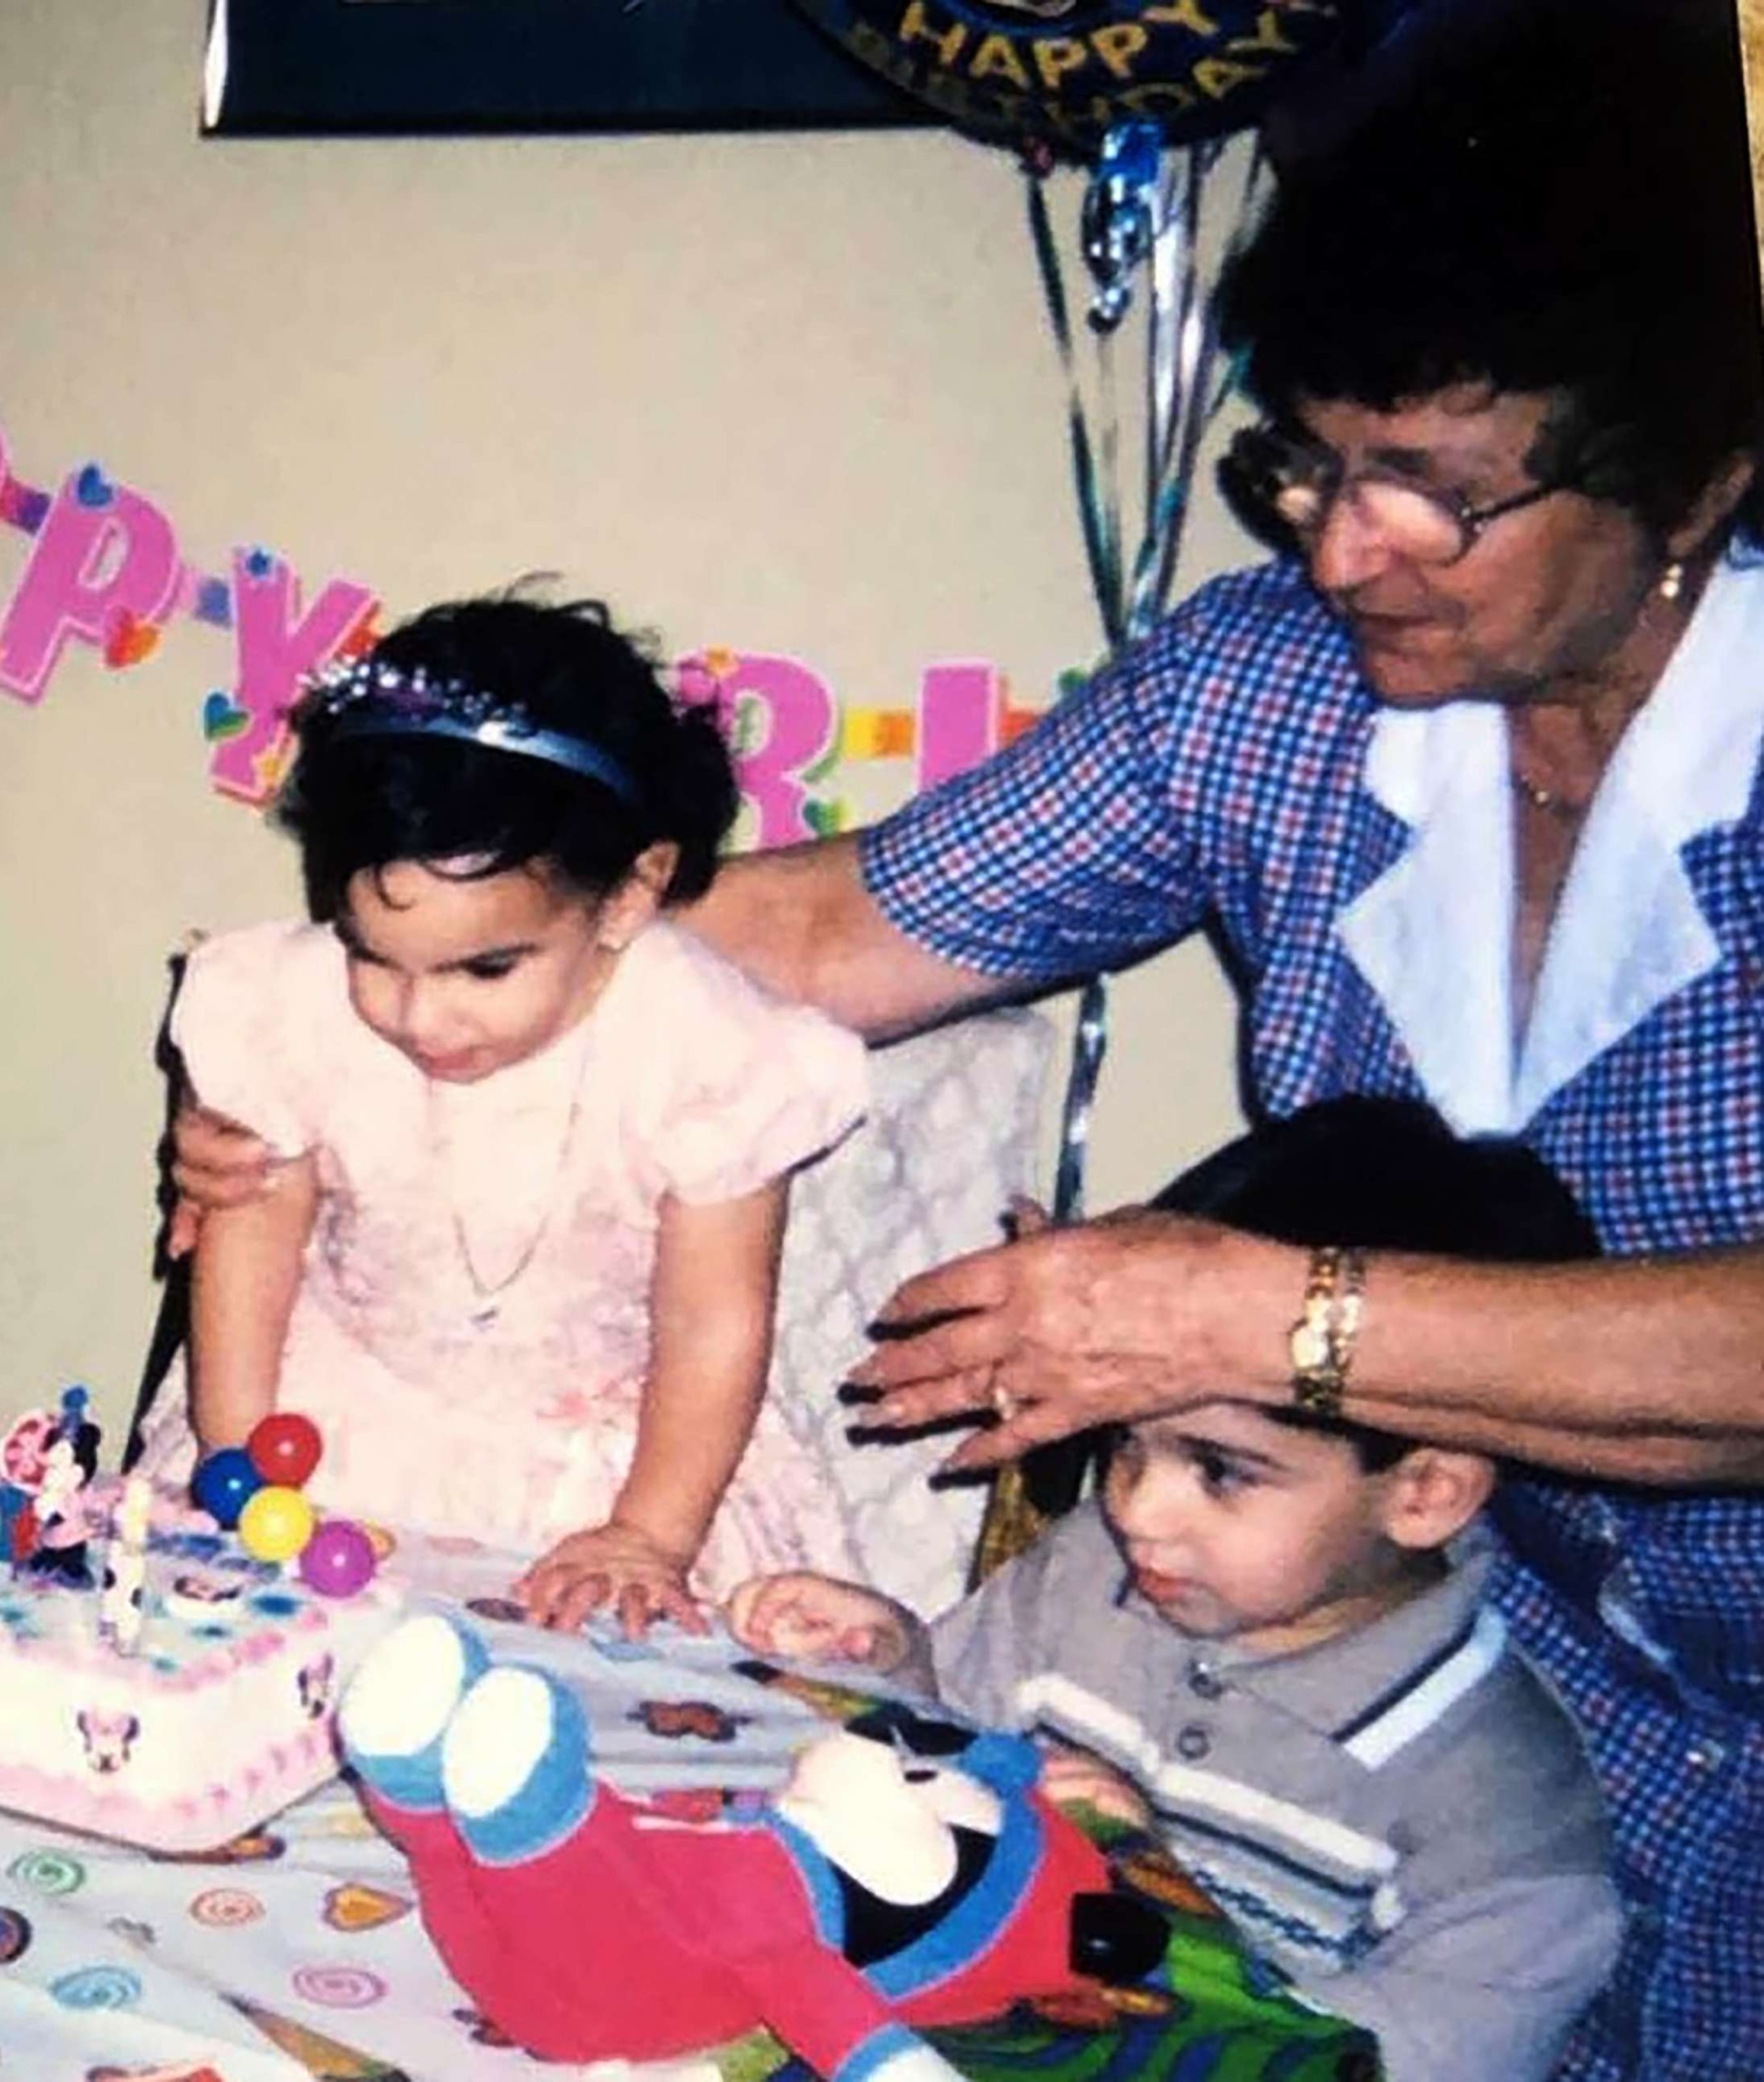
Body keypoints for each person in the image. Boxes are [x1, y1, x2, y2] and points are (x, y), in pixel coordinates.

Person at [167, 6, 1763, 2072]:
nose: (1337, 544)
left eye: (1436, 491)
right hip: (1326, 1683)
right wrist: (419, 1021)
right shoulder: (1269, 696)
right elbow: (829, 927)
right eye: (1309, 460)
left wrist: (1266, 1317)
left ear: (1700, 484)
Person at [730, 1099, 1622, 2081]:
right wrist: (894, 1663)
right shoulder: (1087, 1571)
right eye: (1125, 1444)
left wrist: (1151, 1900)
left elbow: (1353, 2066)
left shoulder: (1503, 1807)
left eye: (1221, 1470)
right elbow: (948, 1760)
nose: (1139, 1510)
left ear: (1423, 1492)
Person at [136, 592, 869, 1635]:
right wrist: (234, 1459)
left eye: (485, 967)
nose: (421, 1015)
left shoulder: (707, 1051)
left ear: (625, 896)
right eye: (374, 956)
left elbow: (713, 1323)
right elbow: (250, 1237)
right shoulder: (286, 1007)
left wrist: (650, 1537)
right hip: (332, 1424)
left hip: (617, 1472)